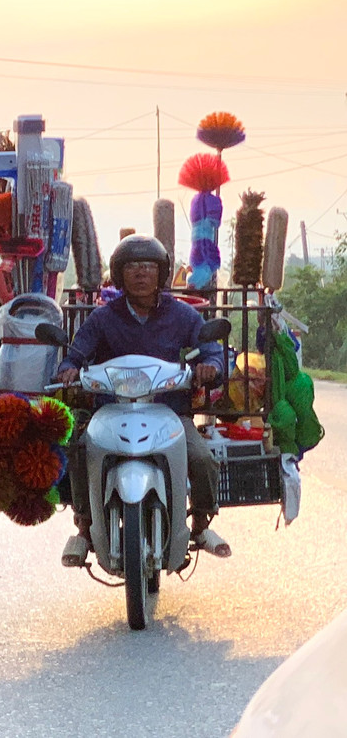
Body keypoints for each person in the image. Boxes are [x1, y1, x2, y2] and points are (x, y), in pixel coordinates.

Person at [53, 234, 230, 567]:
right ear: (120, 274)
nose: (140, 273)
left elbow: (210, 350)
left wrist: (211, 365)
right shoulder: (103, 318)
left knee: (203, 458)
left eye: (148, 266)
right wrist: (68, 368)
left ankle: (202, 525)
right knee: (78, 449)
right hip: (110, 409)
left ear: (160, 273)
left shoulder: (183, 316)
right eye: (132, 266)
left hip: (170, 413)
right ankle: (84, 528)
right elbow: (75, 354)